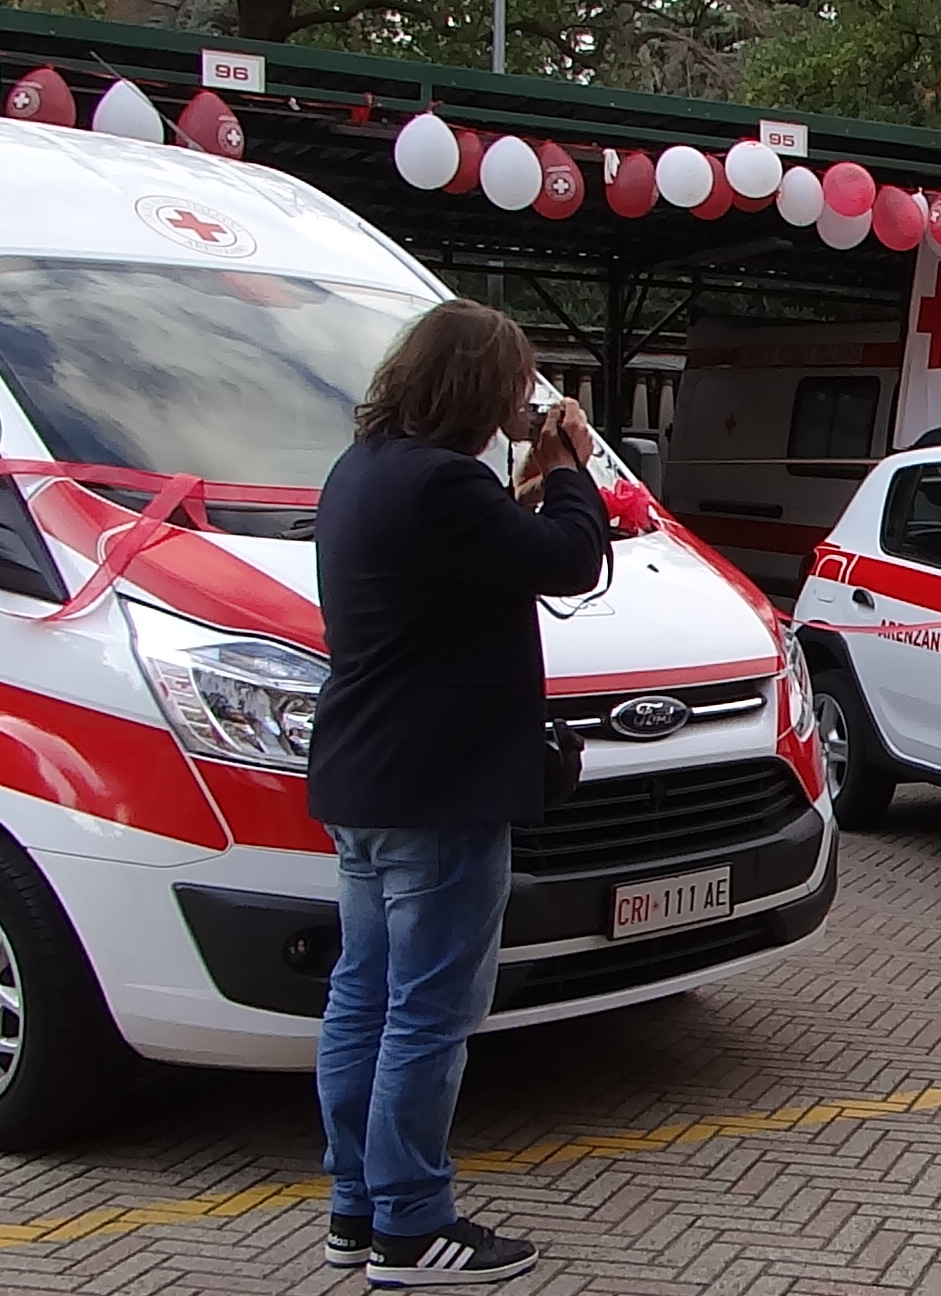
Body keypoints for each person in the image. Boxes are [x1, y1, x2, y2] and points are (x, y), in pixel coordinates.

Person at [305, 299, 608, 1287]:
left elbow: (464, 572)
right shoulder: (442, 483)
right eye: (516, 385)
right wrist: (569, 465)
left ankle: (357, 1206)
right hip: (439, 790)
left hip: (368, 777)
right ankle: (411, 1225)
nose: (524, 403)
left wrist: (521, 489)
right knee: (428, 1013)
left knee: (364, 999)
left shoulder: (367, 470)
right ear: (480, 387)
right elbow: (570, 560)